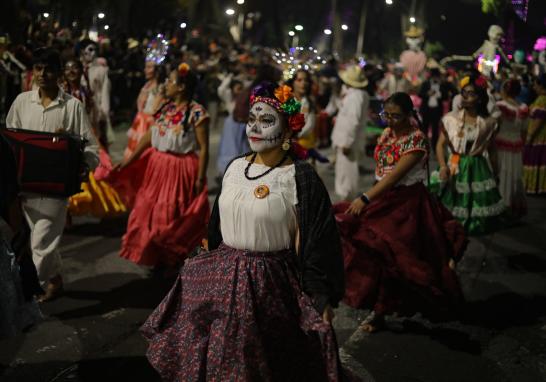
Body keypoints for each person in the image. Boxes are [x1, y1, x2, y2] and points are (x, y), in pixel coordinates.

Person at [141, 82, 345, 380]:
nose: (255, 128)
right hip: (221, 281)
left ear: (288, 130)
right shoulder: (235, 168)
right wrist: (202, 258)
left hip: (270, 287)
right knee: (219, 360)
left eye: (266, 121)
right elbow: (216, 227)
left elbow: (317, 240)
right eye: (252, 120)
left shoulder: (299, 177)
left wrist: (320, 295)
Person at [334, 92, 465, 333]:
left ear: (409, 115)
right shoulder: (386, 134)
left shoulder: (416, 141)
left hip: (406, 205)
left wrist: (365, 197)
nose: (390, 121)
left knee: (398, 258)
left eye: (396, 116)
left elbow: (395, 176)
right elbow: (382, 171)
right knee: (378, 254)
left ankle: (382, 311)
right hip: (383, 198)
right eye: (386, 115)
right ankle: (379, 310)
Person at [5, 48, 99, 301]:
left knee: (41, 242)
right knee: (38, 240)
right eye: (38, 68)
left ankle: (23, 297)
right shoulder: (22, 102)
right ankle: (55, 280)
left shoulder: (73, 106)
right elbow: (10, 142)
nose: (42, 74)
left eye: (48, 69)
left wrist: (82, 168)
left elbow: (91, 147)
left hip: (55, 191)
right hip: (24, 187)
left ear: (58, 74)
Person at [115, 63, 210, 270]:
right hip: (156, 167)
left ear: (182, 87)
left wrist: (200, 178)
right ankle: (155, 255)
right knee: (146, 209)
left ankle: (171, 260)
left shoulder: (197, 113)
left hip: (180, 170)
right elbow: (149, 136)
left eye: (171, 81)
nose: (166, 84)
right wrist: (129, 160)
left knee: (171, 214)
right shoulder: (164, 108)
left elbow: (203, 149)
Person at [434, 74, 505, 235]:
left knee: (477, 208)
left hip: (477, 166)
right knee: (452, 203)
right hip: (455, 163)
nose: (465, 97)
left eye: (471, 93)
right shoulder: (450, 119)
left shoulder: (488, 123)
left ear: (480, 98)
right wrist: (443, 166)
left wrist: (495, 173)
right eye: (464, 93)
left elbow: (492, 150)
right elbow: (440, 145)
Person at [61, 58, 126, 219]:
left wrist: (96, 134)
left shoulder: (85, 91)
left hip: (87, 135)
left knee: (97, 170)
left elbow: (92, 115)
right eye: (68, 69)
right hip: (68, 138)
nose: (71, 72)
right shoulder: (61, 92)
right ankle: (66, 211)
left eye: (74, 68)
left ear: (80, 71)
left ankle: (90, 206)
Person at [123, 37, 168, 161]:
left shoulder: (161, 88)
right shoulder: (146, 86)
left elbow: (156, 111)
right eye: (145, 67)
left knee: (145, 155)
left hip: (150, 125)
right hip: (140, 123)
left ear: (157, 70)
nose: (145, 70)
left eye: (149, 67)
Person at [331, 64, 370, 201]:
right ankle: (345, 198)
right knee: (344, 172)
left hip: (347, 142)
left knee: (347, 173)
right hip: (345, 140)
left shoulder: (355, 97)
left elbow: (353, 121)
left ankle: (346, 200)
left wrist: (347, 142)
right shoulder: (357, 95)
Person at [495, 79, 528, 216]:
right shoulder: (523, 108)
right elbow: (524, 131)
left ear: (505, 90)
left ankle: (503, 206)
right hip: (516, 145)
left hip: (501, 144)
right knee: (515, 175)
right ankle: (513, 207)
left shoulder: (500, 105)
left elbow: (494, 127)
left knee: (503, 173)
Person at [523, 74, 546, 194]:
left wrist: (530, 136)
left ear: (541, 85)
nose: (533, 86)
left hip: (539, 138)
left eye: (535, 84)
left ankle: (536, 188)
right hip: (537, 137)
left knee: (537, 161)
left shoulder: (543, 100)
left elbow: (538, 121)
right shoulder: (540, 99)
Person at [288, 69, 317, 150]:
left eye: (306, 80)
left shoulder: (309, 101)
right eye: (299, 80)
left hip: (305, 145)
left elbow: (310, 124)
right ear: (293, 82)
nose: (303, 83)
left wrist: (297, 135)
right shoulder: (287, 99)